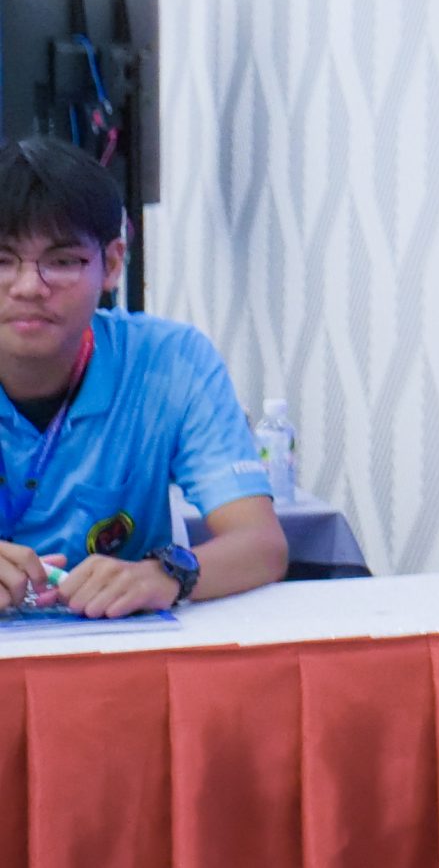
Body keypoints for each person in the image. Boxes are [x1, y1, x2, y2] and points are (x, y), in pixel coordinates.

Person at [0, 138, 286, 618]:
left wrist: (166, 574)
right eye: (2, 260)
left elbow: (261, 544)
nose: (29, 287)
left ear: (112, 265)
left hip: (120, 643)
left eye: (63, 261)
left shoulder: (171, 361)